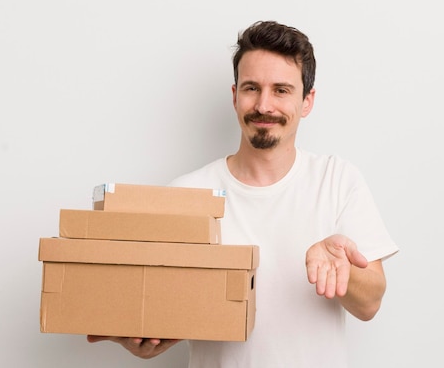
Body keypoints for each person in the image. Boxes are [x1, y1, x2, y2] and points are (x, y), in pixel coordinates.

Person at [87, 20, 399, 367]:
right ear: (235, 95)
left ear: (307, 100)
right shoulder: (187, 194)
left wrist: (343, 270)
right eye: (252, 88)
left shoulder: (337, 180)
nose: (264, 105)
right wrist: (145, 335)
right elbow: (160, 310)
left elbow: (370, 303)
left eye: (281, 90)